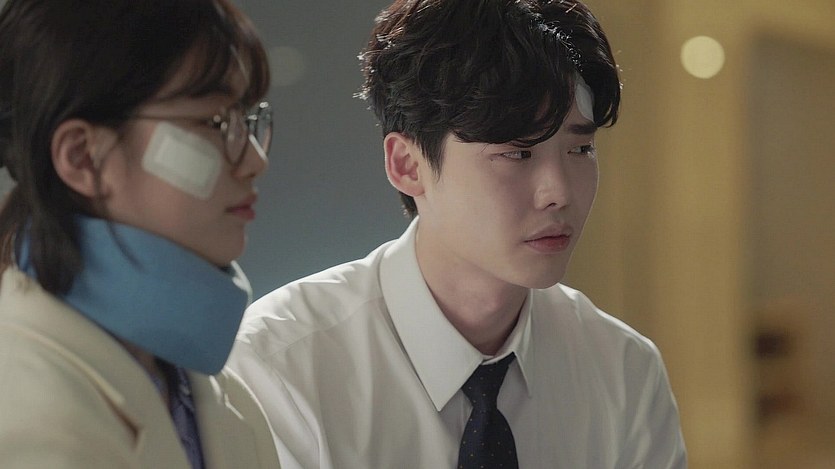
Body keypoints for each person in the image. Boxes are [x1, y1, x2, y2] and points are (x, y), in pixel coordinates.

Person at [229, 0, 687, 467]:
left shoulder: (622, 371)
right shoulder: (281, 368)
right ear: (408, 166)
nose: (559, 193)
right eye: (517, 153)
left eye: (580, 148)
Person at [0, 0, 280, 467]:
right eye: (215, 123)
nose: (256, 160)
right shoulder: (19, 406)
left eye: (247, 120)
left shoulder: (225, 400)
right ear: (82, 157)